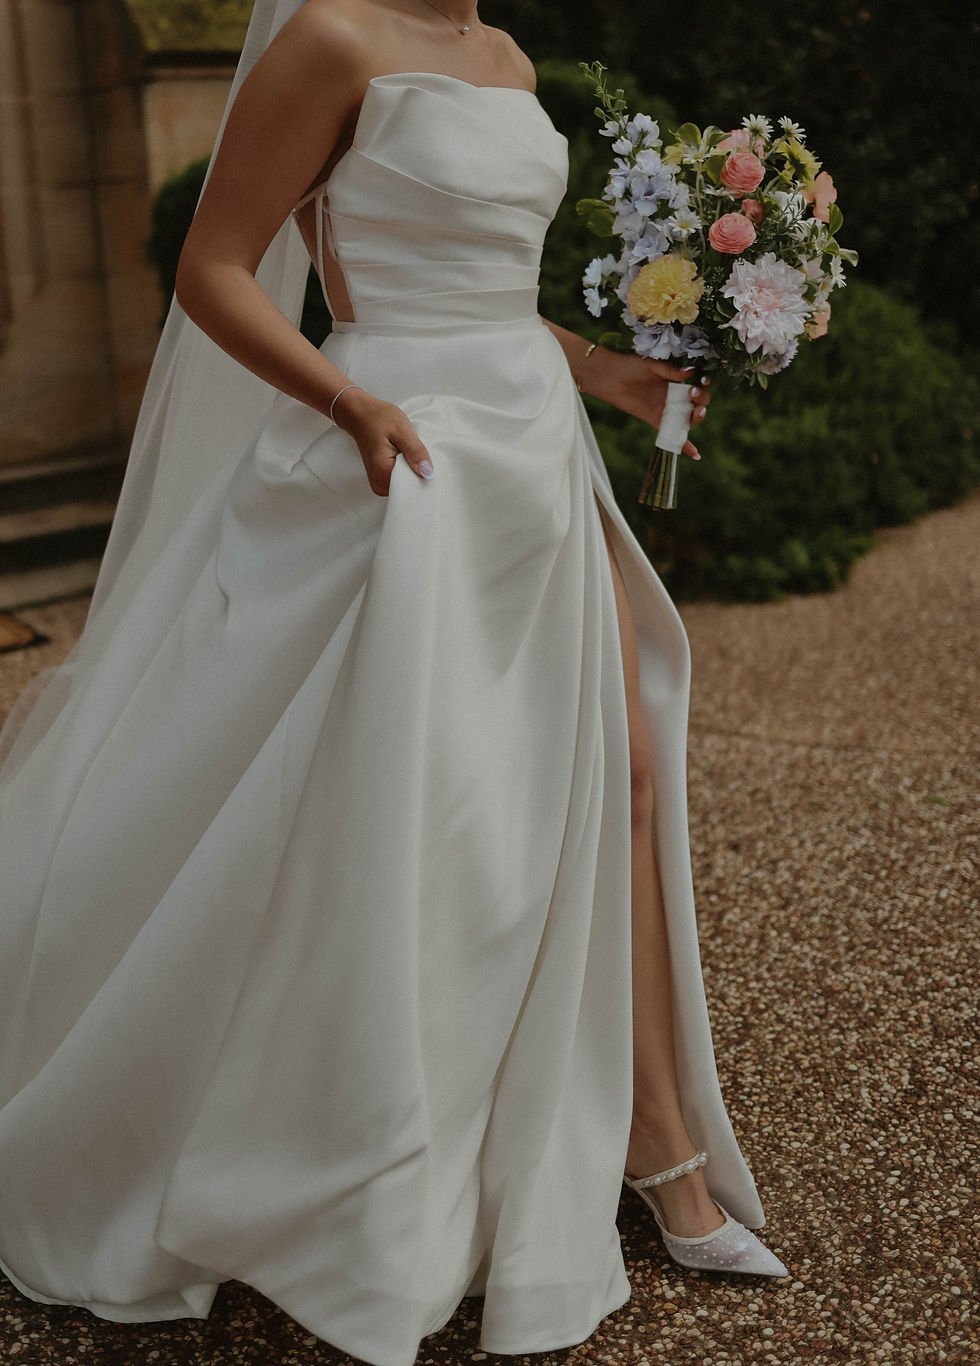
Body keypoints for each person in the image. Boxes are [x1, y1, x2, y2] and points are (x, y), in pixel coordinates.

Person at [0, 0, 786, 1362]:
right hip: (399, 468)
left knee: (625, 773)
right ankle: (362, 1148)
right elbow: (218, 266)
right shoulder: (332, 41)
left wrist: (614, 373)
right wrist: (344, 398)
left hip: (533, 460)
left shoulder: (511, 62)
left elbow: (490, 297)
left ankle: (662, 1154)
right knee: (425, 823)